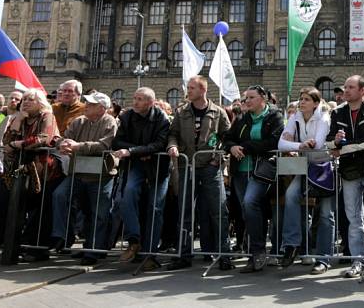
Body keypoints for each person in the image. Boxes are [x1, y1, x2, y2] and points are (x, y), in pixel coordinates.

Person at [166, 76, 232, 271]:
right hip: (186, 165)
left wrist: (217, 160)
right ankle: (183, 254)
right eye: (189, 87)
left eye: (192, 88)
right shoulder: (181, 112)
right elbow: (173, 134)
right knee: (185, 211)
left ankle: (224, 253)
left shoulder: (218, 112)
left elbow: (226, 139)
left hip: (210, 168)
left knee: (218, 211)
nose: (189, 91)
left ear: (203, 90)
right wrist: (172, 146)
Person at [326, 75, 364, 278]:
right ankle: (358, 260)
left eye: (351, 87)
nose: (346, 90)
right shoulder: (336, 112)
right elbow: (328, 142)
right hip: (349, 170)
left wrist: (341, 149)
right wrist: (335, 141)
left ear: (362, 91)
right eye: (345, 87)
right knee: (353, 216)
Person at [221, 85, 284, 273]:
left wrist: (246, 147)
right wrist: (232, 147)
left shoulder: (274, 116)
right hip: (241, 170)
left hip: (262, 171)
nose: (246, 101)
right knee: (247, 211)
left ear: (263, 99)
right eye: (245, 97)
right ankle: (254, 251)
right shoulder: (242, 118)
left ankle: (258, 251)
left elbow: (273, 143)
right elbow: (227, 138)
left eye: (251, 97)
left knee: (250, 203)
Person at [50, 91, 118, 265]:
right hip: (78, 173)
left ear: (102, 108)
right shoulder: (79, 121)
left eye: (92, 104)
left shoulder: (110, 122)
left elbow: (104, 145)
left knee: (99, 214)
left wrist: (77, 146)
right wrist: (63, 144)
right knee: (60, 195)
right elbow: (65, 138)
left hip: (101, 175)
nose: (86, 106)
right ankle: (62, 235)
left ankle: (93, 250)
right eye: (87, 103)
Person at [112, 87, 171, 272]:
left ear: (150, 103)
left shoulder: (161, 118)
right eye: (134, 98)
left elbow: (160, 144)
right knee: (126, 196)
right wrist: (140, 151)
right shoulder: (127, 117)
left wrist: (134, 151)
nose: (135, 102)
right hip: (136, 165)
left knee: (155, 208)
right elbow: (117, 142)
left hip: (158, 168)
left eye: (140, 99)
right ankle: (134, 240)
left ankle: (150, 255)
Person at [278, 87, 335, 274]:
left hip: (325, 167)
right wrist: (300, 144)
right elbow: (281, 144)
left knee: (326, 214)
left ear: (316, 103)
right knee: (291, 194)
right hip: (305, 166)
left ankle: (324, 258)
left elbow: (318, 144)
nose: (302, 102)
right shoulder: (295, 118)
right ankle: (292, 244)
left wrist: (296, 144)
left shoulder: (324, 117)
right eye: (301, 99)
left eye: (306, 99)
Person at [2, 88, 62, 261]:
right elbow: (6, 142)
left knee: (41, 210)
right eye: (25, 99)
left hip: (45, 170)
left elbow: (43, 139)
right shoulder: (19, 118)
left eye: (31, 99)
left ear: (40, 102)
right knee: (18, 207)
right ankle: (17, 246)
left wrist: (17, 144)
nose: (26, 102)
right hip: (22, 169)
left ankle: (38, 249)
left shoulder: (47, 116)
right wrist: (17, 121)